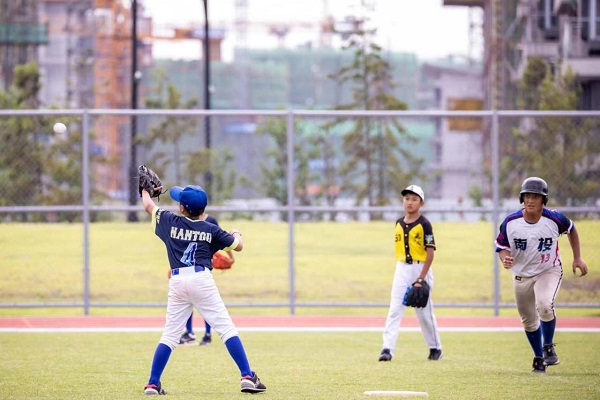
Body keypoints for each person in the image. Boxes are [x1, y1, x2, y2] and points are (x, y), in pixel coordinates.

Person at [141, 184, 266, 395]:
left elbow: (148, 205)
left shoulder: (171, 221)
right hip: (201, 279)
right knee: (226, 329)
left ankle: (153, 383)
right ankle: (247, 376)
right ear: (203, 209)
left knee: (170, 335)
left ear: (182, 208)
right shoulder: (211, 229)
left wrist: (145, 189)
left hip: (177, 280)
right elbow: (239, 245)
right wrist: (236, 232)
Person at [495, 177, 588, 373]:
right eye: (527, 196)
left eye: (536, 197)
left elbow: (571, 229)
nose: (530, 200)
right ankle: (538, 357)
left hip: (549, 269)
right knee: (528, 321)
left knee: (544, 304)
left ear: (543, 200)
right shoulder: (511, 222)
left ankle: (548, 346)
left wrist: (577, 257)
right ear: (522, 198)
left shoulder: (554, 218)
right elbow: (501, 246)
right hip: (521, 275)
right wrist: (505, 259)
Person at [379, 184, 443, 362]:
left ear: (421, 203)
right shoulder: (398, 223)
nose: (409, 202)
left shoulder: (425, 224)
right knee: (395, 308)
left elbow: (430, 253)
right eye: (407, 198)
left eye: (414, 199)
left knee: (424, 312)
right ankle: (387, 349)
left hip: (420, 266)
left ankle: (435, 347)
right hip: (402, 267)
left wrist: (421, 278)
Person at [178, 215, 235, 347]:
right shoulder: (183, 222)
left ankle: (207, 334)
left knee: (204, 303)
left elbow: (222, 240)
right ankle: (189, 332)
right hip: (186, 266)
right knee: (188, 302)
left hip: (203, 267)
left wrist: (231, 257)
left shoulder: (210, 221)